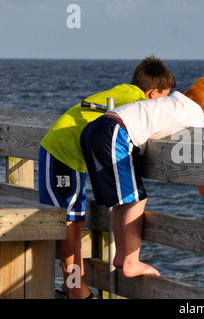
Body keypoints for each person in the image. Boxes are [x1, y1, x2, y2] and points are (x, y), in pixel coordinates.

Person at [39, 55, 176, 299]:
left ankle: (71, 286)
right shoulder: (135, 102)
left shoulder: (125, 92)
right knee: (69, 224)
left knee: (73, 222)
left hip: (69, 154)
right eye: (164, 99)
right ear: (153, 94)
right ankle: (77, 291)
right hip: (60, 153)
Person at [80, 75, 204, 278]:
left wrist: (203, 187)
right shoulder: (195, 114)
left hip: (96, 129)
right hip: (116, 132)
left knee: (121, 201)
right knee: (137, 200)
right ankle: (131, 261)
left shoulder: (173, 102)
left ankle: (121, 256)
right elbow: (199, 156)